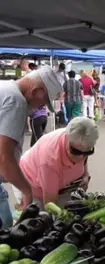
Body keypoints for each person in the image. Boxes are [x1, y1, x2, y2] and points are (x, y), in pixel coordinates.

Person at [0, 65, 62, 228]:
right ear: (36, 91)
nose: (40, 107)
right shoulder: (15, 100)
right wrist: (26, 191)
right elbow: (3, 157)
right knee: (4, 228)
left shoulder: (4, 87)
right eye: (43, 102)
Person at [13, 117, 99, 209]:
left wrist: (85, 174)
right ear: (66, 138)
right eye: (75, 152)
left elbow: (82, 155)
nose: (80, 158)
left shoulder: (80, 139)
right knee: (41, 218)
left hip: (62, 187)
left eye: (87, 153)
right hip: (33, 186)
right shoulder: (49, 159)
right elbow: (50, 204)